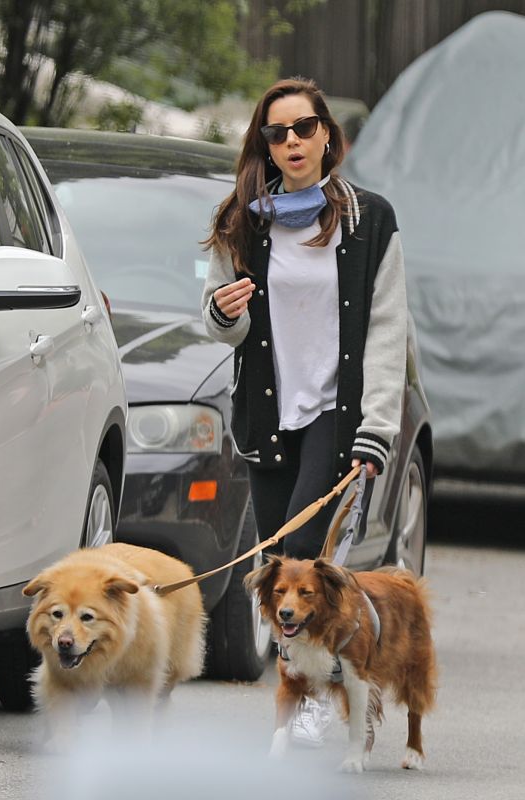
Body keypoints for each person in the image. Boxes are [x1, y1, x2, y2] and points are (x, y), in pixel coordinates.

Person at [201, 77, 407, 744]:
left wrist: (376, 427)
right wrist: (221, 313)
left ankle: (324, 700)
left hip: (335, 415)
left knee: (300, 557)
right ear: (262, 143)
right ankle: (326, 692)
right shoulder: (242, 218)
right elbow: (220, 322)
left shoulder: (367, 219)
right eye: (276, 132)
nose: (291, 142)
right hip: (266, 417)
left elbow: (386, 326)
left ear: (327, 135)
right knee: (276, 581)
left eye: (303, 128)